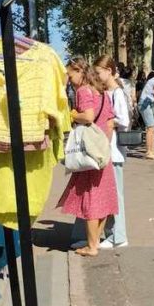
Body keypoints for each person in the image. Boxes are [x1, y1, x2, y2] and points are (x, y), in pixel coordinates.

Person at [58, 57, 118, 257]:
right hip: (102, 151)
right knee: (103, 200)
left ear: (79, 71)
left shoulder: (83, 91)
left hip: (90, 153)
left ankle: (92, 246)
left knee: (91, 200)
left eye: (70, 74)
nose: (69, 78)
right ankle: (96, 242)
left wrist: (72, 114)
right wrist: (103, 144)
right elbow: (109, 123)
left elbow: (89, 116)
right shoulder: (102, 92)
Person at [73, 57, 130, 250]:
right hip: (105, 150)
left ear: (109, 70)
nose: (95, 76)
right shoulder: (105, 92)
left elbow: (124, 120)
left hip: (111, 150)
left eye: (98, 72)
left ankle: (117, 236)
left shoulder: (116, 93)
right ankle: (98, 237)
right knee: (102, 194)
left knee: (113, 195)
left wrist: (109, 121)